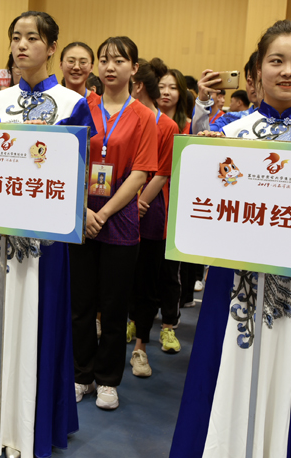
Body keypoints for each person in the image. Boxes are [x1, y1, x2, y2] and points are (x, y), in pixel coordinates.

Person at [171, 20, 291, 458]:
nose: (287, 71)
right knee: (222, 369)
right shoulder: (227, 134)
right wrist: (204, 157)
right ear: (256, 71)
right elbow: (198, 213)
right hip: (232, 283)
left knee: (290, 377)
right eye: (276, 61)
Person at [0, 11, 95, 458]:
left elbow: (78, 174)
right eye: (16, 37)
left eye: (32, 38)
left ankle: (32, 421)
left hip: (45, 241)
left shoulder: (73, 104)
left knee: (41, 318)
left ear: (51, 47)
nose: (22, 45)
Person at [71, 36, 158, 411]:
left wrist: (104, 214)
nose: (110, 66)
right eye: (104, 59)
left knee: (114, 305)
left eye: (119, 60)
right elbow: (70, 158)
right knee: (80, 305)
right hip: (81, 217)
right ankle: (81, 374)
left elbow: (141, 173)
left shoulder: (144, 117)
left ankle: (107, 380)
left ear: (134, 68)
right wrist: (83, 211)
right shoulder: (82, 106)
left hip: (119, 222)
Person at [130, 57, 181, 377]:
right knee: (121, 278)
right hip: (118, 207)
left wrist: (137, 203)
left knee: (149, 280)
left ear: (137, 85)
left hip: (149, 210)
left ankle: (140, 346)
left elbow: (161, 174)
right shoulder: (124, 118)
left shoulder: (168, 126)